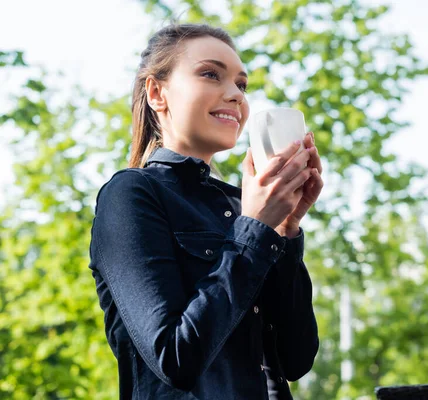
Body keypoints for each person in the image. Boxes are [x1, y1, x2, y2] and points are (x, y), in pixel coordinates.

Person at [88, 23, 322, 399]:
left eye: (241, 85)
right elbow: (175, 358)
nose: (236, 96)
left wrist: (283, 229)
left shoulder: (243, 207)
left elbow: (296, 360)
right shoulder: (130, 195)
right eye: (211, 74)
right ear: (156, 93)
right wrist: (254, 230)